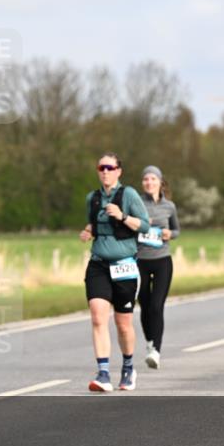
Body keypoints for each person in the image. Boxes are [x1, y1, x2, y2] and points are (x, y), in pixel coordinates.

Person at [80, 153, 150, 392]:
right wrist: (88, 232)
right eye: (101, 167)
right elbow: (93, 223)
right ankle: (103, 373)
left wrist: (123, 216)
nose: (105, 171)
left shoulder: (128, 195)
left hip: (125, 265)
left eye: (110, 167)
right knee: (98, 317)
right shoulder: (93, 198)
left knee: (123, 324)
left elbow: (145, 225)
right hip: (98, 264)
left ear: (119, 171)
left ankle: (129, 367)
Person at [136, 165, 180, 369]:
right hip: (140, 260)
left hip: (162, 260)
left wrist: (169, 234)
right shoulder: (136, 204)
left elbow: (177, 230)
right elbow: (128, 226)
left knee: (156, 305)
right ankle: (150, 341)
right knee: (144, 304)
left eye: (153, 179)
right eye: (146, 179)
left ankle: (156, 350)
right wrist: (142, 225)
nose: (149, 183)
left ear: (160, 182)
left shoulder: (169, 206)